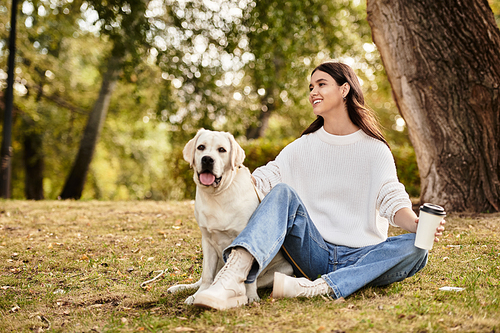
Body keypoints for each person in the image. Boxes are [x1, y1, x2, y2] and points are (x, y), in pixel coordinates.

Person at [192, 62, 446, 310]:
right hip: (312, 252)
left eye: (321, 84)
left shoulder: (375, 150)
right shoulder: (302, 146)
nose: (313, 92)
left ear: (344, 89)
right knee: (282, 193)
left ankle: (318, 288)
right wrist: (222, 166)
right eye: (311, 87)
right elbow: (263, 179)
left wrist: (415, 224)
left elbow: (392, 199)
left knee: (417, 248)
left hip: (360, 256)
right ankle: (231, 279)